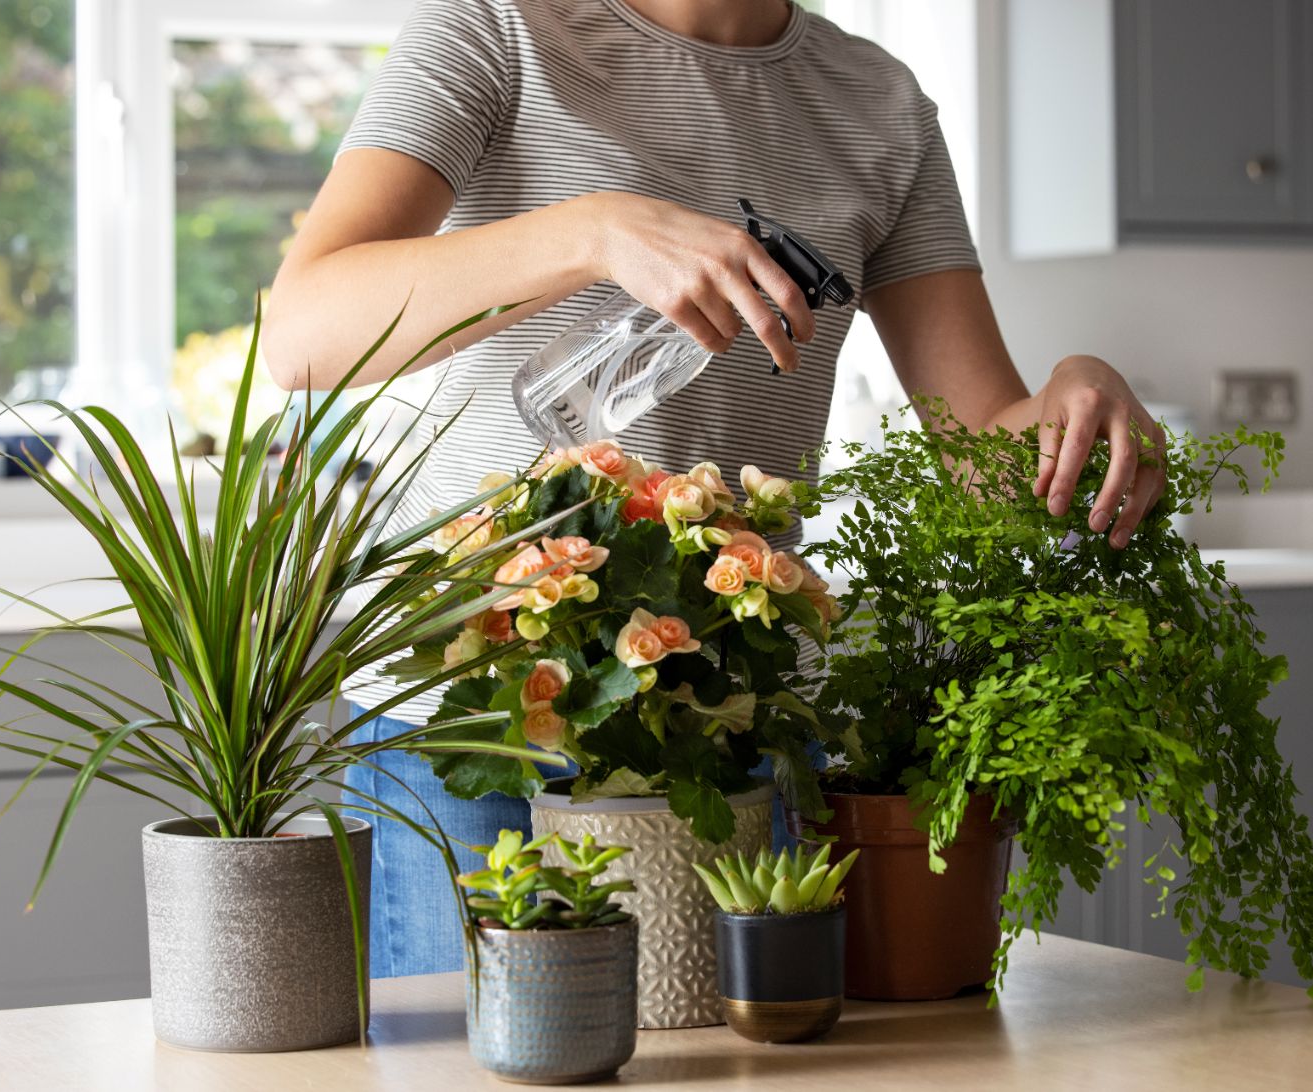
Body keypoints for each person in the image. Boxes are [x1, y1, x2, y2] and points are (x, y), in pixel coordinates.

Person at [266, 0, 1165, 977]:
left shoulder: (880, 104)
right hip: (476, 721)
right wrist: (596, 231)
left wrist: (1075, 395)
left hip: (726, 721)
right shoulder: (498, 29)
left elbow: (982, 457)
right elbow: (305, 333)